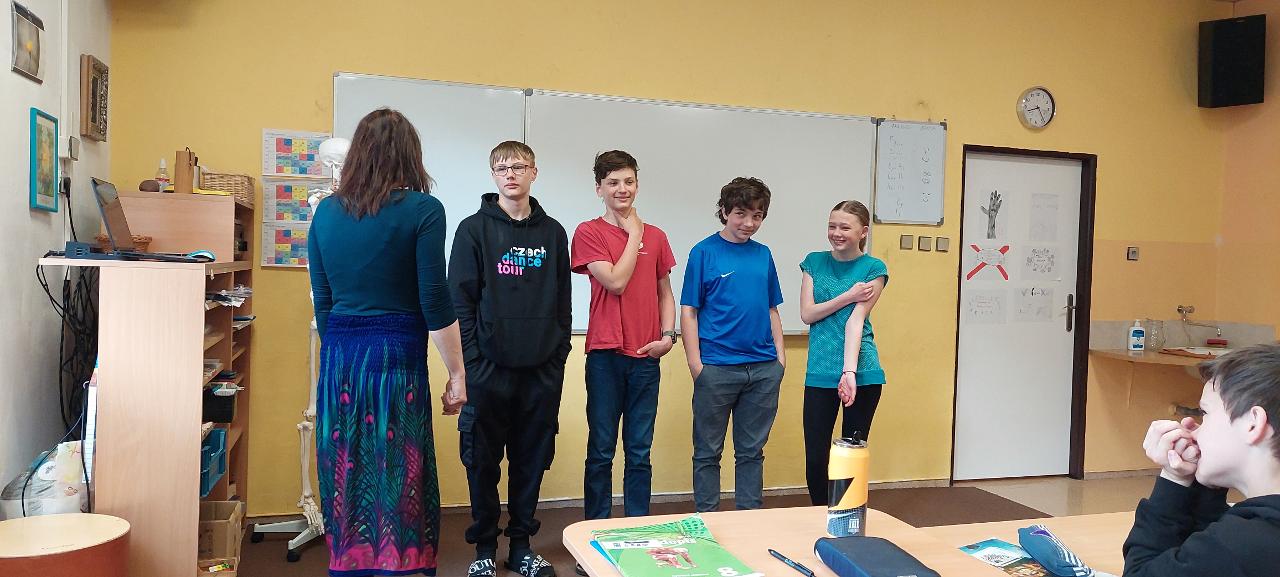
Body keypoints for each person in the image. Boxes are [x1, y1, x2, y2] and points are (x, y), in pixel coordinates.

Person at [308, 108, 467, 577]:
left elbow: (324, 299)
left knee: (347, 466)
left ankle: (351, 564)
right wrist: (458, 374)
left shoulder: (326, 212)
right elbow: (433, 298)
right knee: (398, 467)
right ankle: (401, 566)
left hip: (340, 356)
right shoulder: (424, 210)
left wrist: (339, 352)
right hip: (395, 355)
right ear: (409, 155)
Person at [450, 141, 570, 577]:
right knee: (481, 464)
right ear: (493, 175)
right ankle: (484, 548)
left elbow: (563, 302)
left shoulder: (553, 232)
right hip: (488, 371)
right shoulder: (472, 230)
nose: (510, 174)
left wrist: (557, 356)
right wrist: (472, 363)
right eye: (502, 168)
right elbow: (460, 302)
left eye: (519, 166)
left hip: (540, 373)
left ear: (534, 172)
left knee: (530, 462)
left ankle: (521, 546)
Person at [572, 150, 677, 525]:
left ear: (637, 184)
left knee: (639, 452)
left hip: (646, 357)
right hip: (606, 356)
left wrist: (668, 336)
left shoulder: (658, 236)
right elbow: (615, 282)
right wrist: (634, 234)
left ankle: (637, 526)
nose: (622, 189)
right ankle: (596, 529)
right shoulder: (588, 232)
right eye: (613, 182)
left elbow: (665, 292)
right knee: (601, 450)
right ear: (599, 188)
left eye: (629, 181)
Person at [1123, 343, 1280, 576]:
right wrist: (1206, 484)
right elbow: (1202, 555)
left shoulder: (1238, 545)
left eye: (1204, 413)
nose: (1194, 428)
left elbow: (1140, 573)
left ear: (1253, 424)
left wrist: (1173, 479)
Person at [680, 177, 786, 512]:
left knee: (751, 452)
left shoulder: (763, 254)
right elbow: (689, 311)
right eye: (741, 214)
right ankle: (707, 520)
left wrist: (780, 360)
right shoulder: (703, 252)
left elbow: (771, 308)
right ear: (725, 212)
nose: (749, 223)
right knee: (707, 452)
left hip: (763, 369)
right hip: (716, 369)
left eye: (757, 216)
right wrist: (696, 365)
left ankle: (749, 521)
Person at [797, 200, 888, 505]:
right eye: (832, 226)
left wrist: (849, 372)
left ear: (863, 232)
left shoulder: (874, 269)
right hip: (820, 369)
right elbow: (808, 314)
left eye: (845, 227)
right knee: (816, 456)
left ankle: (846, 515)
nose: (836, 233)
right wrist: (848, 295)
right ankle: (819, 514)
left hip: (861, 371)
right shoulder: (814, 262)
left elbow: (855, 321)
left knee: (851, 454)